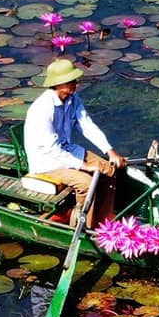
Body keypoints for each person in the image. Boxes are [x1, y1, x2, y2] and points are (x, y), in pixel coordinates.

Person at [23, 60, 123, 222]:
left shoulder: (73, 99)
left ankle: (104, 220)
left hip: (68, 150)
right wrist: (83, 166)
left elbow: (87, 126)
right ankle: (83, 225)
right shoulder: (42, 109)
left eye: (75, 80)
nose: (75, 84)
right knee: (86, 183)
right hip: (47, 162)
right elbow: (52, 150)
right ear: (58, 84)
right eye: (71, 81)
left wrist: (110, 151)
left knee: (108, 169)